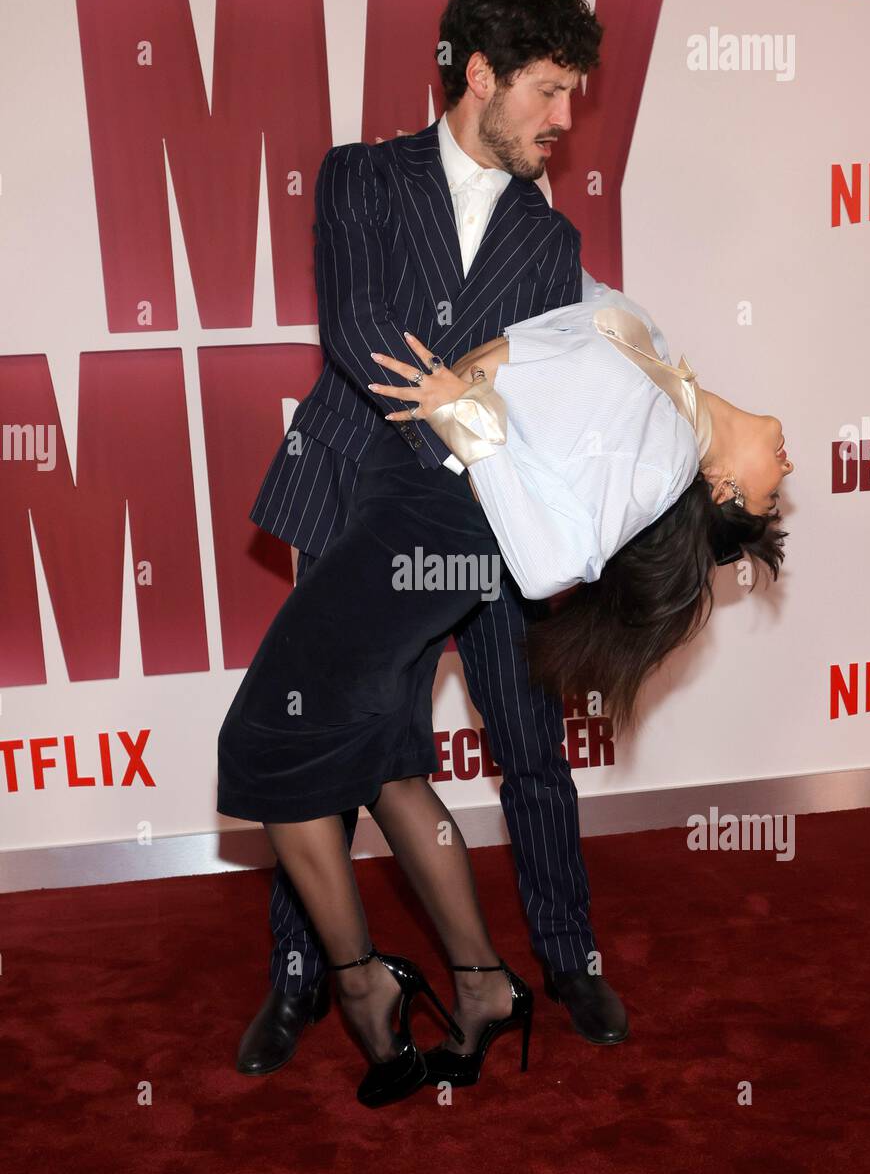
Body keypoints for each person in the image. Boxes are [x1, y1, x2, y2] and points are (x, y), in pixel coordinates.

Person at [217, 280, 791, 1107]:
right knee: (383, 757)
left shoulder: (665, 460)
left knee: (265, 742)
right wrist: (470, 382)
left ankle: (359, 983)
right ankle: (484, 985)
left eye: (771, 493)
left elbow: (555, 560)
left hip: (438, 525)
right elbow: (550, 329)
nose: (789, 468)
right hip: (406, 481)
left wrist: (471, 421)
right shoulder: (660, 359)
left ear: (725, 492)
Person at [235, 0, 622, 1083]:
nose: (564, 118)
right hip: (367, 510)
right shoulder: (359, 176)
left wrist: (484, 439)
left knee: (532, 750)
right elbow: (359, 331)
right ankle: (304, 974)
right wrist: (462, 425)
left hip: (496, 536)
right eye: (548, 90)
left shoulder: (550, 244)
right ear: (481, 75)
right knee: (330, 751)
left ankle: (567, 954)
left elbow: (546, 397)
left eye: (575, 95)